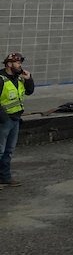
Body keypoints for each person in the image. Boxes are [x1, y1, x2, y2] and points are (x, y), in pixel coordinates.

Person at [0, 52, 34, 187]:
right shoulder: (1, 79)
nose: (20, 65)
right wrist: (4, 119)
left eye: (20, 63)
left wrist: (29, 79)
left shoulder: (19, 78)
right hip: (4, 121)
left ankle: (5, 177)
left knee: (8, 151)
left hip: (15, 119)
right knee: (0, 151)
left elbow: (29, 91)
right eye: (17, 63)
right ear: (9, 64)